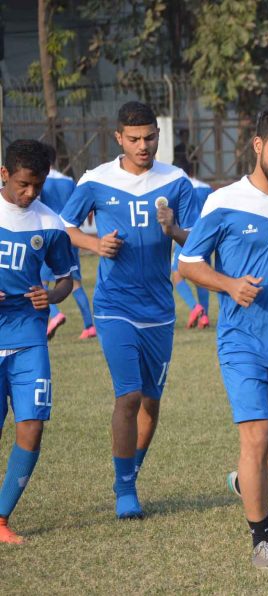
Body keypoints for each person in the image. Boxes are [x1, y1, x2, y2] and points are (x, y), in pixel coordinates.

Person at [178, 106, 268, 570]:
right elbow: (188, 264)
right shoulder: (223, 202)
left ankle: (247, 482)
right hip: (242, 339)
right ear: (258, 146)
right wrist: (228, 284)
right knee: (257, 437)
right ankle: (263, 539)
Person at [59, 101, 198, 520]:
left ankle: (129, 475)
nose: (143, 145)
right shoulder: (96, 180)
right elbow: (65, 227)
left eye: (150, 137)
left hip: (159, 309)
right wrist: (95, 244)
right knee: (129, 395)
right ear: (118, 138)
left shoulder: (176, 181)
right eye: (134, 139)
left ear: (158, 134)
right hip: (114, 304)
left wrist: (173, 229)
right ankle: (124, 490)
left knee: (152, 403)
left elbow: (195, 241)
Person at [0, 140, 75, 544]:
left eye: (38, 186)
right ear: (4, 175)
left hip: (29, 335)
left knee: (31, 427)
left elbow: (66, 277)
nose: (30, 193)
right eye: (23, 185)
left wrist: (54, 294)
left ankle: (1, 519)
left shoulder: (49, 223)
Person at [35, 144, 95, 340]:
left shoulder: (40, 181)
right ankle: (89, 326)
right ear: (56, 160)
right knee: (74, 281)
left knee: (39, 280)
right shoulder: (68, 181)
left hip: (47, 235)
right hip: (69, 235)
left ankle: (54, 314)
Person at [172, 163, 213, 329]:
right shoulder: (207, 189)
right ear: (194, 169)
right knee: (202, 276)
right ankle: (205, 317)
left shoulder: (180, 188)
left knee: (177, 275)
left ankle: (195, 308)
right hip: (206, 238)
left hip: (187, 237)